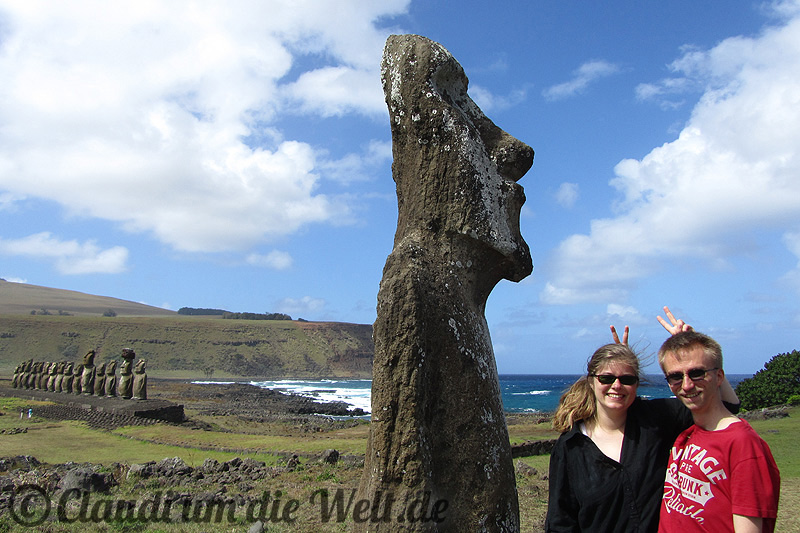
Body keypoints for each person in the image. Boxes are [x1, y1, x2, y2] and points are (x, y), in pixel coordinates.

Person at [545, 307, 739, 532]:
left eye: (626, 379)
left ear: (637, 384)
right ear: (591, 381)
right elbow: (561, 521)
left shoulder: (655, 421)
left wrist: (691, 349)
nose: (617, 386)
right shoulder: (571, 446)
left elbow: (726, 405)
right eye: (607, 378)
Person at [657, 331, 780, 532]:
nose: (687, 385)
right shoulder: (685, 436)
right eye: (676, 376)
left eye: (697, 373)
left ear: (719, 376)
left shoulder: (743, 444)